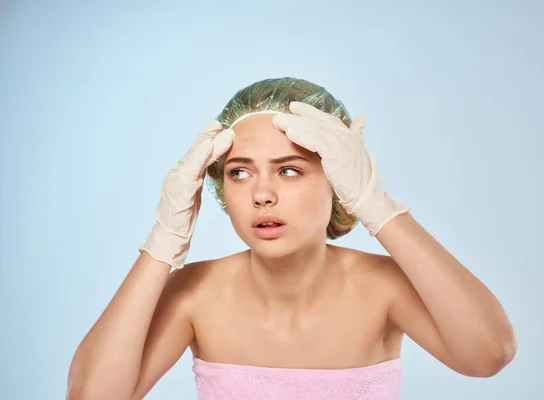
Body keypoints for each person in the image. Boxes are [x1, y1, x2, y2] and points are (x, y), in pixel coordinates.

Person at [66, 77, 518, 400]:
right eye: (239, 172)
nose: (262, 194)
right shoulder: (195, 295)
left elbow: (488, 355)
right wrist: (162, 243)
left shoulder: (385, 289)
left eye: (289, 170)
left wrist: (377, 205)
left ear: (336, 179)